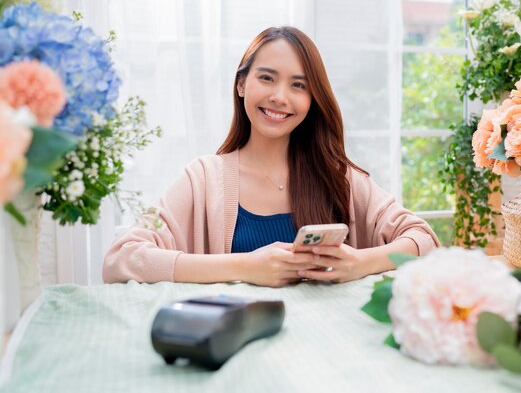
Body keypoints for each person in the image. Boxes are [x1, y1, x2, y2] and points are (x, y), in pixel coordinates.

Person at [103, 26, 439, 287]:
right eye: (266, 78)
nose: (280, 97)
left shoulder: (337, 177)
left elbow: (423, 239)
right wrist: (246, 267)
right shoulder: (204, 178)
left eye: (298, 85)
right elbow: (121, 259)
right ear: (241, 85)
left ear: (313, 99)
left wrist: (359, 263)